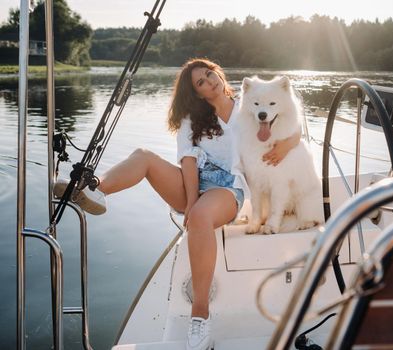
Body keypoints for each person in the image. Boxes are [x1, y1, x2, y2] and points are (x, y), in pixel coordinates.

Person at [53, 58, 300, 350]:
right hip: (194, 181)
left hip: (229, 186)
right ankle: (93, 188)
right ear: (196, 93)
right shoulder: (192, 118)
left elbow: (289, 126)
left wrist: (286, 144)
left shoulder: (249, 105)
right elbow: (188, 160)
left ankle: (200, 316)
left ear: (218, 73)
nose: (210, 82)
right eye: (201, 83)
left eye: (210, 75)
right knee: (144, 155)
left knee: (201, 217)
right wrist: (191, 199)